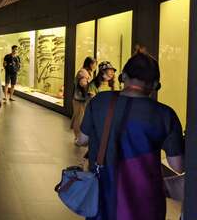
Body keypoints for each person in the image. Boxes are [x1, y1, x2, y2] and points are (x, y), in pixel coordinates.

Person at [78, 50, 184, 220]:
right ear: (156, 84)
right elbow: (178, 165)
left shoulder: (99, 101)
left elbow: (82, 140)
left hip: (104, 200)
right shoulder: (165, 114)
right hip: (146, 204)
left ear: (122, 76)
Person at [70, 56, 96, 145]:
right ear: (90, 64)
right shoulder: (83, 72)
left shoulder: (86, 72)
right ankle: (78, 137)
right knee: (79, 118)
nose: (95, 66)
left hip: (82, 99)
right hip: (79, 99)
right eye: (94, 64)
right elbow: (83, 84)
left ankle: (79, 137)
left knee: (79, 117)